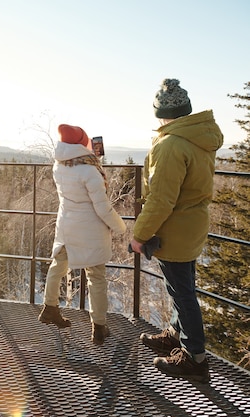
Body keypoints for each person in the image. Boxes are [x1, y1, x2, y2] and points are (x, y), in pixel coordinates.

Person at [132, 78, 223, 383]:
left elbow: (161, 199)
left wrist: (140, 234)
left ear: (161, 113)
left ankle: (195, 358)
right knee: (180, 286)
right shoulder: (198, 137)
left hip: (175, 227)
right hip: (192, 224)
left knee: (182, 292)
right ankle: (176, 334)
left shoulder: (171, 144)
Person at [38, 124, 126, 345]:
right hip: (90, 230)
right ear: (81, 143)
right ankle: (99, 327)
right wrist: (121, 227)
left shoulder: (58, 167)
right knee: (96, 276)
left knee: (58, 264)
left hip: (67, 224)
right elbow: (102, 207)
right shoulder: (90, 170)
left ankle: (49, 308)